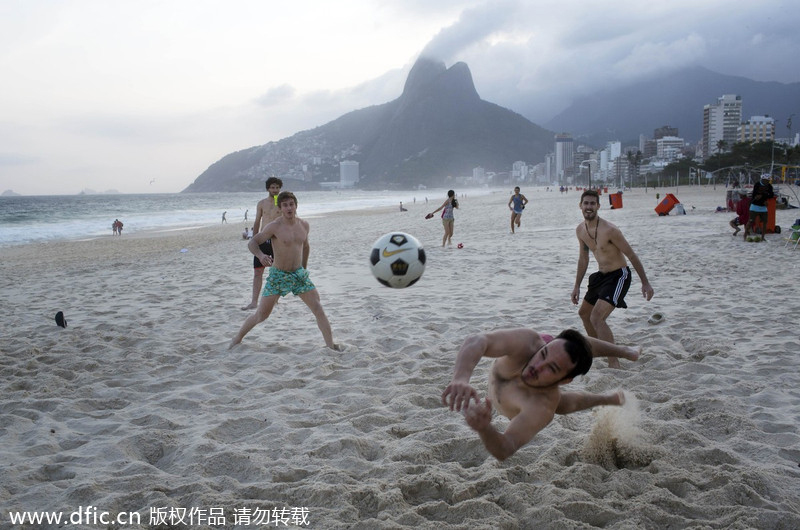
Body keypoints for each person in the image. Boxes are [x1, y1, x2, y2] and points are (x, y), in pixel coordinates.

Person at [441, 327, 640, 461]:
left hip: (539, 397)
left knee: (563, 405)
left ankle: (606, 398)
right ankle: (623, 351)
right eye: (543, 354)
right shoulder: (529, 344)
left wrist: (485, 429)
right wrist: (460, 378)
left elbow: (505, 448)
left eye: (550, 368)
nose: (537, 366)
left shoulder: (542, 406)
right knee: (573, 345)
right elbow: (477, 340)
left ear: (564, 381)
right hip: (544, 350)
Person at [230, 191, 339, 351]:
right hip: (278, 275)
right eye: (285, 205)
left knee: (317, 307)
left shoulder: (304, 225)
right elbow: (252, 242)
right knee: (262, 315)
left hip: (299, 274)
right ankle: (237, 338)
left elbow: (306, 246)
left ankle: (331, 346)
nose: (289, 208)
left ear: (296, 205)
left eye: (291, 204)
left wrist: (304, 268)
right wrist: (261, 256)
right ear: (280, 208)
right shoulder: (274, 226)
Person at [571, 190, 654, 368]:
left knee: (597, 317)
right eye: (586, 203)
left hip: (619, 276)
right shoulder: (580, 230)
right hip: (600, 276)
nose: (589, 207)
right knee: (584, 314)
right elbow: (583, 258)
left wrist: (645, 282)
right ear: (580, 206)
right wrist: (576, 285)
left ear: (598, 206)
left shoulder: (610, 230)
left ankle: (613, 361)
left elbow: (631, 255)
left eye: (593, 204)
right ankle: (596, 350)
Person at [242, 177, 283, 310]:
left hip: (278, 240)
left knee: (276, 271)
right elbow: (257, 221)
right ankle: (254, 302)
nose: (275, 190)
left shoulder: (283, 203)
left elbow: (290, 219)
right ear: (268, 189)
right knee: (258, 272)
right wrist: (254, 240)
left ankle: (275, 299)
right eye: (272, 187)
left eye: (277, 187)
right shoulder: (261, 203)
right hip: (263, 239)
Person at [744, 174, 775, 240]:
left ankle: (763, 237)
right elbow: (755, 195)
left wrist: (763, 196)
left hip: (763, 207)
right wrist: (762, 196)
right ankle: (745, 235)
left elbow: (771, 195)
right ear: (763, 180)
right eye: (767, 180)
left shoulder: (769, 186)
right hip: (754, 206)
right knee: (750, 221)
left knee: (765, 222)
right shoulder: (757, 184)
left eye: (768, 180)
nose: (768, 182)